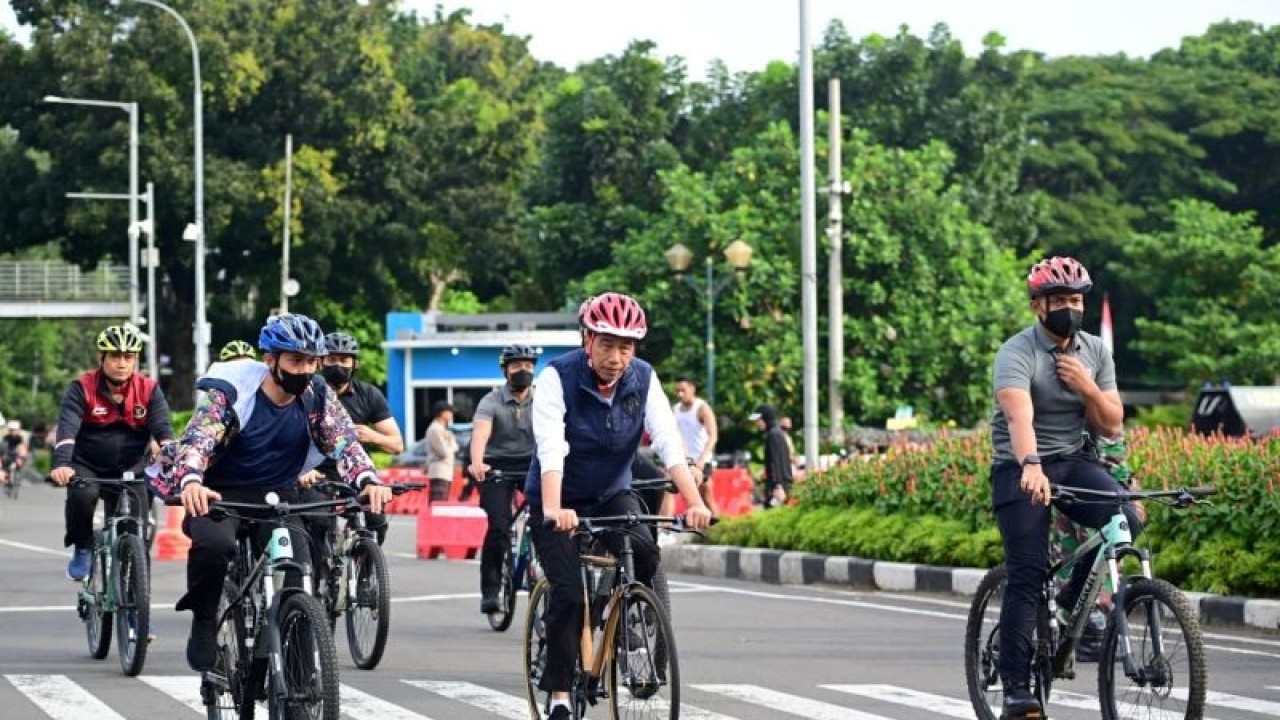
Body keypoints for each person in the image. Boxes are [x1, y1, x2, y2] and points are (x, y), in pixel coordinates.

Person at [158, 313, 392, 671]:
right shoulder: (233, 392)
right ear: (271, 360)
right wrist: (191, 480)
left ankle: (300, 675)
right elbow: (200, 438)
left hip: (279, 495)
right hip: (221, 493)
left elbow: (344, 441)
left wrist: (368, 480)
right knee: (214, 546)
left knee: (300, 574)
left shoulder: (317, 395)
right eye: (295, 360)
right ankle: (204, 619)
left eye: (311, 361)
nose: (304, 370)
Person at [527, 292, 712, 720]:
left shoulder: (644, 379)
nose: (615, 356)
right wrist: (555, 508)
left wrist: (697, 503)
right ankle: (557, 693)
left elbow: (668, 443)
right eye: (606, 344)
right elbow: (552, 447)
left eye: (625, 347)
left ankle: (626, 621)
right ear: (587, 339)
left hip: (611, 491)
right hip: (559, 498)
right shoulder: (558, 377)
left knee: (645, 550)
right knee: (569, 593)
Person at [990, 256, 1142, 719]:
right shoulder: (1017, 352)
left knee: (1126, 517)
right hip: (1021, 465)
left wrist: (1088, 389)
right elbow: (1020, 416)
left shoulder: (1095, 351)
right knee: (1028, 569)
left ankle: (1070, 601)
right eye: (1059, 300)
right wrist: (1031, 466)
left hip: (1074, 462)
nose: (1070, 308)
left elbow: (1112, 424)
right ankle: (1017, 686)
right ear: (1039, 306)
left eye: (1077, 300)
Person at [50, 325, 174, 581]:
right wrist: (62, 463)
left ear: (135, 360)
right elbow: (67, 430)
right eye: (115, 356)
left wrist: (172, 458)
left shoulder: (149, 390)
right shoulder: (81, 388)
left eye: (128, 357)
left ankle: (135, 612)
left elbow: (163, 431)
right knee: (83, 497)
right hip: (88, 465)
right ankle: (83, 546)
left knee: (136, 537)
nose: (121, 363)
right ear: (101, 358)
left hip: (132, 468)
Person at [302, 331, 404, 548]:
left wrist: (370, 435)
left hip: (355, 471)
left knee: (376, 520)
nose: (337, 364)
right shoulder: (309, 392)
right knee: (317, 522)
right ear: (320, 362)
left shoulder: (368, 395)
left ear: (354, 363)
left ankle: (367, 570)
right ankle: (319, 572)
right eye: (331, 359)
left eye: (343, 359)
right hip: (317, 472)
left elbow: (397, 445)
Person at [467, 344, 538, 614]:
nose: (523, 370)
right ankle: (491, 590)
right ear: (505, 370)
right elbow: (480, 435)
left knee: (549, 519)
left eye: (529, 366)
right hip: (495, 466)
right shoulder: (491, 401)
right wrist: (477, 463)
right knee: (499, 526)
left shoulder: (544, 399)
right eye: (517, 366)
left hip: (534, 464)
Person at [672, 377, 720, 514]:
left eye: (683, 390)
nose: (680, 394)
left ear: (692, 389)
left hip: (702, 460)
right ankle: (700, 531)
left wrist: (702, 460)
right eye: (677, 391)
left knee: (707, 495)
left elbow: (713, 436)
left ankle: (718, 527)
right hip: (685, 460)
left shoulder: (702, 408)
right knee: (692, 498)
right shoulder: (675, 409)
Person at [749, 404, 792, 508]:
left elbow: (776, 461)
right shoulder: (775, 433)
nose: (757, 423)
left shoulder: (773, 435)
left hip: (779, 486)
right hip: (780, 484)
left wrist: (778, 486)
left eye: (759, 420)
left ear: (766, 418)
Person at [424, 400, 458, 502]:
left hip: (445, 472)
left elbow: (454, 447)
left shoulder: (443, 429)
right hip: (439, 471)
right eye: (450, 412)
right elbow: (444, 452)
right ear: (443, 413)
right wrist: (451, 442)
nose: (452, 415)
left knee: (442, 503)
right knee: (438, 503)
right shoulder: (435, 429)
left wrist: (451, 442)